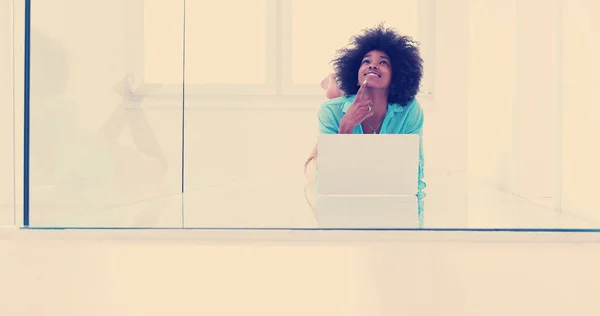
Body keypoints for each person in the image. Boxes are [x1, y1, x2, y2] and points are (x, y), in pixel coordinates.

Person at [305, 23, 426, 200]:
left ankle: (334, 86)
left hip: (386, 203)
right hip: (342, 201)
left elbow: (416, 174)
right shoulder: (330, 111)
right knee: (333, 98)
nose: (373, 65)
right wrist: (346, 126)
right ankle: (334, 87)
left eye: (383, 62)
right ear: (356, 76)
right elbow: (325, 179)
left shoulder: (410, 110)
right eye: (366, 61)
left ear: (396, 77)